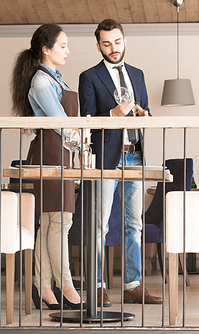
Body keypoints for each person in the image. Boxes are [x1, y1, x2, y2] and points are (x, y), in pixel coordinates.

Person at [78, 19, 162, 306]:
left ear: (125, 40)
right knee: (100, 225)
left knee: (133, 225)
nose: (113, 49)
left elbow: (146, 112)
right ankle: (97, 285)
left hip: (135, 155)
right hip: (106, 158)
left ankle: (133, 285)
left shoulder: (138, 75)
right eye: (106, 44)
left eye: (117, 42)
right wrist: (113, 114)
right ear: (98, 45)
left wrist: (143, 115)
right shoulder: (89, 76)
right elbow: (85, 121)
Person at [11, 23, 82, 310]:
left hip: (60, 153)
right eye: (62, 46)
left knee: (53, 223)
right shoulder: (42, 82)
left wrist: (75, 142)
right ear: (46, 49)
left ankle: (42, 286)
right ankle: (65, 284)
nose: (67, 50)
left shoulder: (56, 79)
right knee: (60, 222)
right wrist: (78, 138)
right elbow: (60, 122)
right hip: (51, 153)